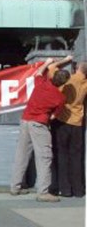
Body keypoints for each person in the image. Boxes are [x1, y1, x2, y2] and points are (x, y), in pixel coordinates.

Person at [10, 58, 70, 202]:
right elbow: (55, 115)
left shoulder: (42, 83)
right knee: (44, 158)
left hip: (25, 121)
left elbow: (38, 72)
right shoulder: (60, 98)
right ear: (63, 83)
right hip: (39, 124)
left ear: (53, 77)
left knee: (22, 154)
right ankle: (43, 192)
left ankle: (15, 186)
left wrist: (47, 62)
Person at [48, 56, 86, 197]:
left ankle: (65, 189)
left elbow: (52, 70)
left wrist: (65, 60)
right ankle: (78, 190)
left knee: (61, 155)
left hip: (62, 121)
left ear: (77, 68)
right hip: (78, 123)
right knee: (76, 157)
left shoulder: (70, 80)